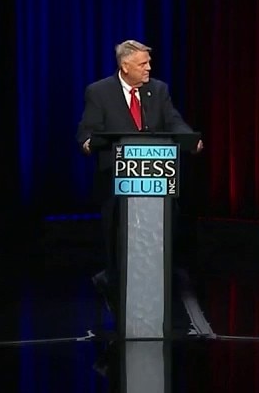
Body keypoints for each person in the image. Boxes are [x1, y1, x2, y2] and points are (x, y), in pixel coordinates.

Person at [76, 39, 202, 319]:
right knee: (117, 238)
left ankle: (156, 287)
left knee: (166, 225)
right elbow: (88, 129)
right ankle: (115, 287)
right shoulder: (99, 92)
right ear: (125, 66)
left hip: (155, 180)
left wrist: (190, 139)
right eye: (143, 64)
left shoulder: (158, 90)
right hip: (115, 182)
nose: (148, 68)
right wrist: (87, 142)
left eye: (149, 63)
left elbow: (173, 120)